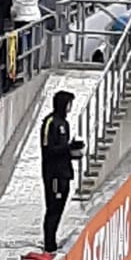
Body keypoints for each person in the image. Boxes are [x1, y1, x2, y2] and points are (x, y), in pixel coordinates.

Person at [40, 89, 81, 250]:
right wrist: (67, 148)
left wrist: (73, 151)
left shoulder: (65, 124)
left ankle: (53, 239)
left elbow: (62, 149)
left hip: (64, 172)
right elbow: (48, 149)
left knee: (60, 207)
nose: (70, 107)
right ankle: (49, 243)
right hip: (53, 173)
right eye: (69, 103)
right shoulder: (50, 123)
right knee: (53, 208)